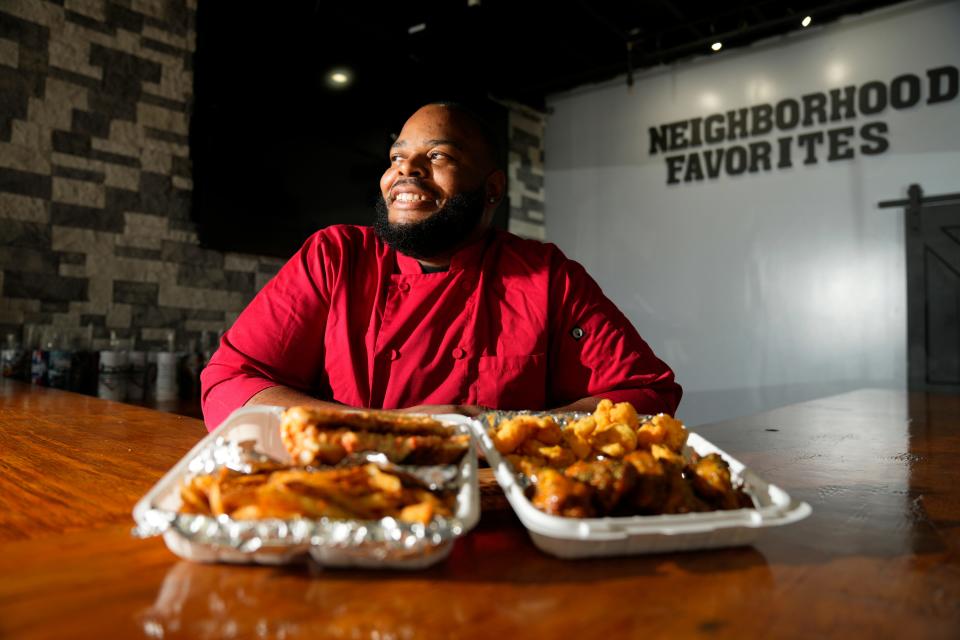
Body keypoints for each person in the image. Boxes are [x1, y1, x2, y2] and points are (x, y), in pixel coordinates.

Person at [200, 103, 681, 429]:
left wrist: (503, 427)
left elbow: (647, 394)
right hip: (349, 490)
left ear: (492, 189)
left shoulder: (546, 276)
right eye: (397, 156)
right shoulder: (335, 257)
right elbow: (229, 382)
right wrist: (379, 429)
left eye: (437, 155)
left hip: (497, 508)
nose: (405, 170)